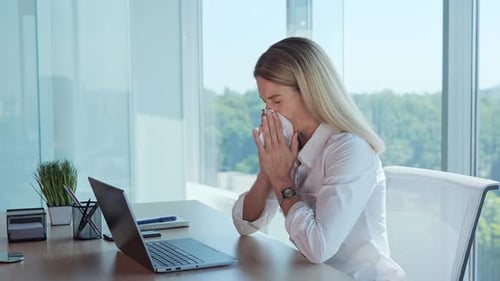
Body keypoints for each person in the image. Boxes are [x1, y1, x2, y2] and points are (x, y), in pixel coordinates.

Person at [231, 37, 406, 281]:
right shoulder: (293, 144)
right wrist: (268, 171)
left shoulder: (350, 150)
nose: (269, 112)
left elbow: (318, 248)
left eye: (277, 100)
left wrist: (282, 180)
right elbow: (245, 225)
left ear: (310, 92)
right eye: (265, 102)